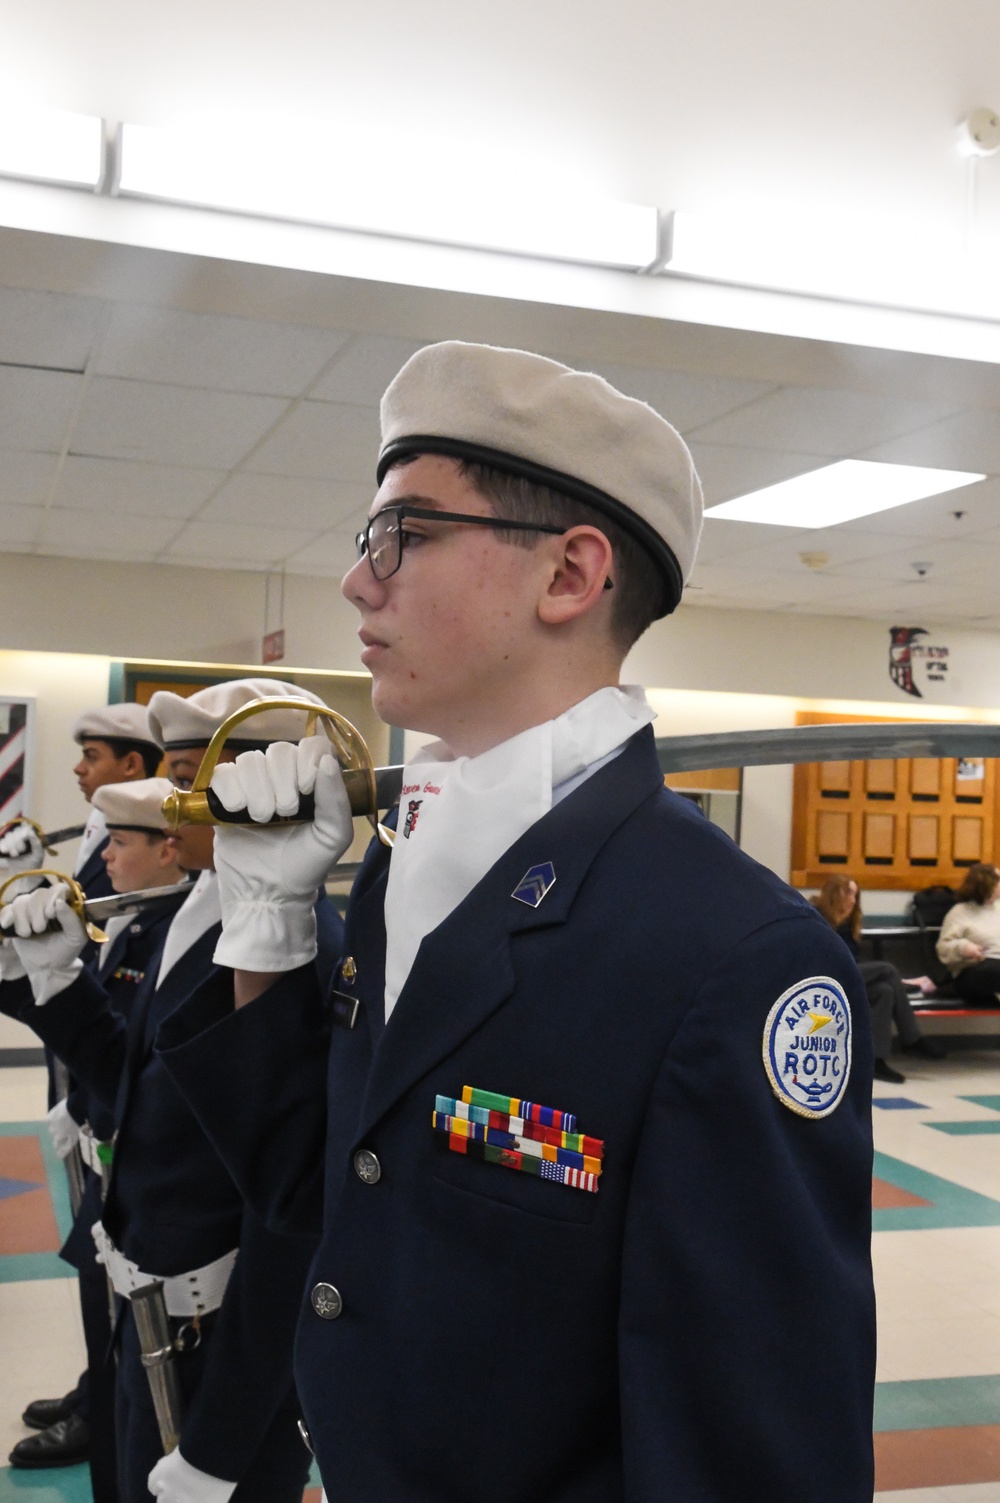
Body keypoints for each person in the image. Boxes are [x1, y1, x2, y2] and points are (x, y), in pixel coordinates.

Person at [148, 343, 871, 1501]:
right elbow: (325, 1192)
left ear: (569, 575)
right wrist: (270, 921)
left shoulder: (730, 956)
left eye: (405, 535)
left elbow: (750, 1441)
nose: (356, 582)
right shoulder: (405, 871)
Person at [1, 679, 344, 1503]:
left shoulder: (295, 940)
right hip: (146, 1305)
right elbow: (133, 1084)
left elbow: (291, 1216)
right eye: (177, 776)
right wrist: (54, 978)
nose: (178, 802)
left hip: (226, 1338)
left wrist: (223, 1441)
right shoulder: (196, 907)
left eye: (198, 778)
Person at [6, 779, 190, 1498]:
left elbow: (138, 1065)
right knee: (113, 1370)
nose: (107, 854)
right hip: (116, 1177)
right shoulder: (145, 922)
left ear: (167, 846)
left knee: (155, 1416)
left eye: (121, 840)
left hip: (169, 1210)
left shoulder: (179, 928)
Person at [811, 875, 945, 1084]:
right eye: (849, 894)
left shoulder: (847, 922)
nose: (853, 900)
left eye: (856, 895)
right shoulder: (816, 916)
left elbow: (852, 958)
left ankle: (876, 1061)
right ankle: (911, 1039)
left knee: (884, 991)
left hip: (846, 975)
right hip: (825, 976)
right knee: (888, 969)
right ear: (834, 894)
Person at [937, 862, 1000, 1004]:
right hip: (973, 970)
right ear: (987, 884)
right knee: (993, 970)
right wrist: (963, 947)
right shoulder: (959, 912)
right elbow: (943, 948)